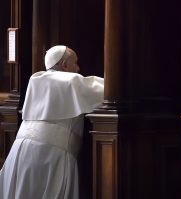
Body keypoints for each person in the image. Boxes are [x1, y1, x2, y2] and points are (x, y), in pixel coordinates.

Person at [0, 45, 104, 199]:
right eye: (75, 63)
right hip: (50, 155)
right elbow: (109, 90)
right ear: (64, 65)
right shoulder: (70, 80)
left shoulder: (35, 79)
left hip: (20, 150)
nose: (78, 68)